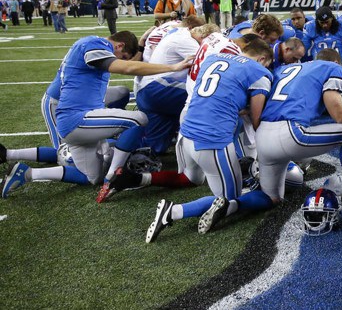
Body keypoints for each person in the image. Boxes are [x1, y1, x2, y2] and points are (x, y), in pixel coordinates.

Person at [2, 32, 192, 199]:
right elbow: (127, 68)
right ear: (119, 45)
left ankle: (27, 174)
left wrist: (141, 43)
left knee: (90, 177)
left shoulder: (96, 48)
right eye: (122, 55)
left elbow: (127, 64)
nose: (121, 59)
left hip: (78, 116)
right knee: (138, 119)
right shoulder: (94, 44)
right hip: (74, 115)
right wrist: (174, 67)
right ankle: (112, 177)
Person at [145, 39, 275, 242]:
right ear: (262, 59)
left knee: (192, 178)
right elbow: (257, 119)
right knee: (229, 201)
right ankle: (175, 211)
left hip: (185, 131)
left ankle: (139, 179)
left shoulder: (214, 58)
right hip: (211, 142)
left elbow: (218, 96)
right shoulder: (260, 73)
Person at [255, 49, 342, 206]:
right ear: (337, 62)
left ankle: (233, 204)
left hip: (262, 137)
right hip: (292, 135)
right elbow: (339, 114)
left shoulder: (283, 69)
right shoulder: (333, 68)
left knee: (271, 199)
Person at [134, 19, 213, 158]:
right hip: (157, 88)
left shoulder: (176, 31)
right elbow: (212, 63)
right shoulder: (185, 39)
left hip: (146, 89)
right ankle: (208, 145)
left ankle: (114, 150)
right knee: (209, 97)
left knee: (152, 149)